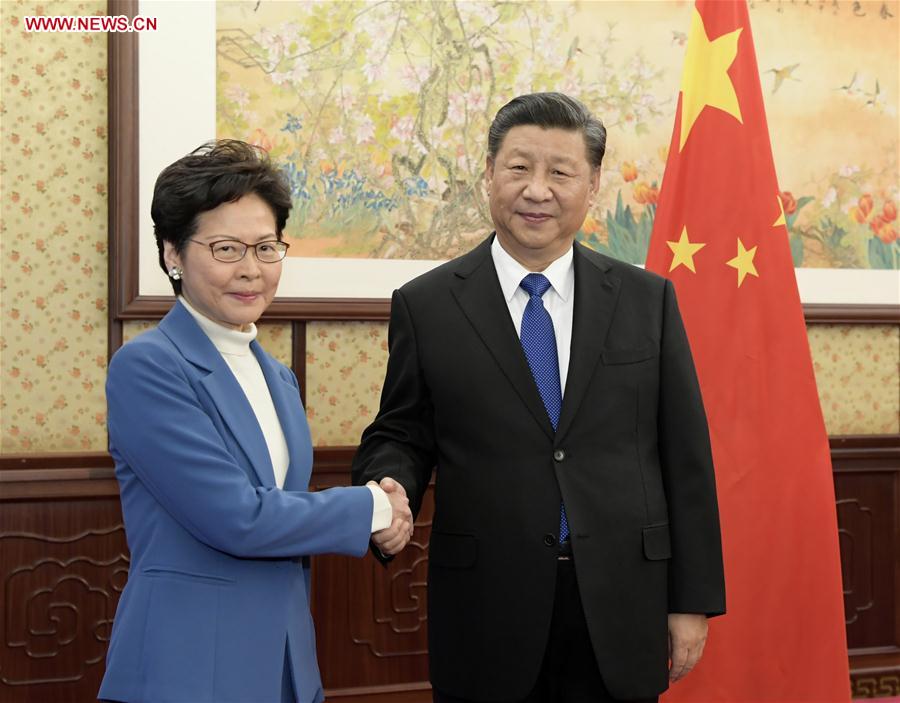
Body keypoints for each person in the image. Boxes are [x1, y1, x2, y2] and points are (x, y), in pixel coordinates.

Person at [352, 93, 726, 703]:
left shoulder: (646, 301)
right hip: (487, 606)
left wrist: (692, 600)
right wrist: (388, 485)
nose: (537, 190)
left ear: (593, 184)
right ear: (489, 174)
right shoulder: (427, 305)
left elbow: (686, 457)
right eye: (519, 167)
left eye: (561, 172)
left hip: (621, 601)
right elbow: (402, 432)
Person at [98, 140, 412, 703]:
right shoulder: (148, 367)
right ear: (172, 253)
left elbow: (279, 504)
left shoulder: (277, 376)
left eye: (266, 247)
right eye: (225, 248)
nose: (251, 270)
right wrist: (370, 506)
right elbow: (235, 517)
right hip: (186, 666)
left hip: (286, 662)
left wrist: (377, 512)